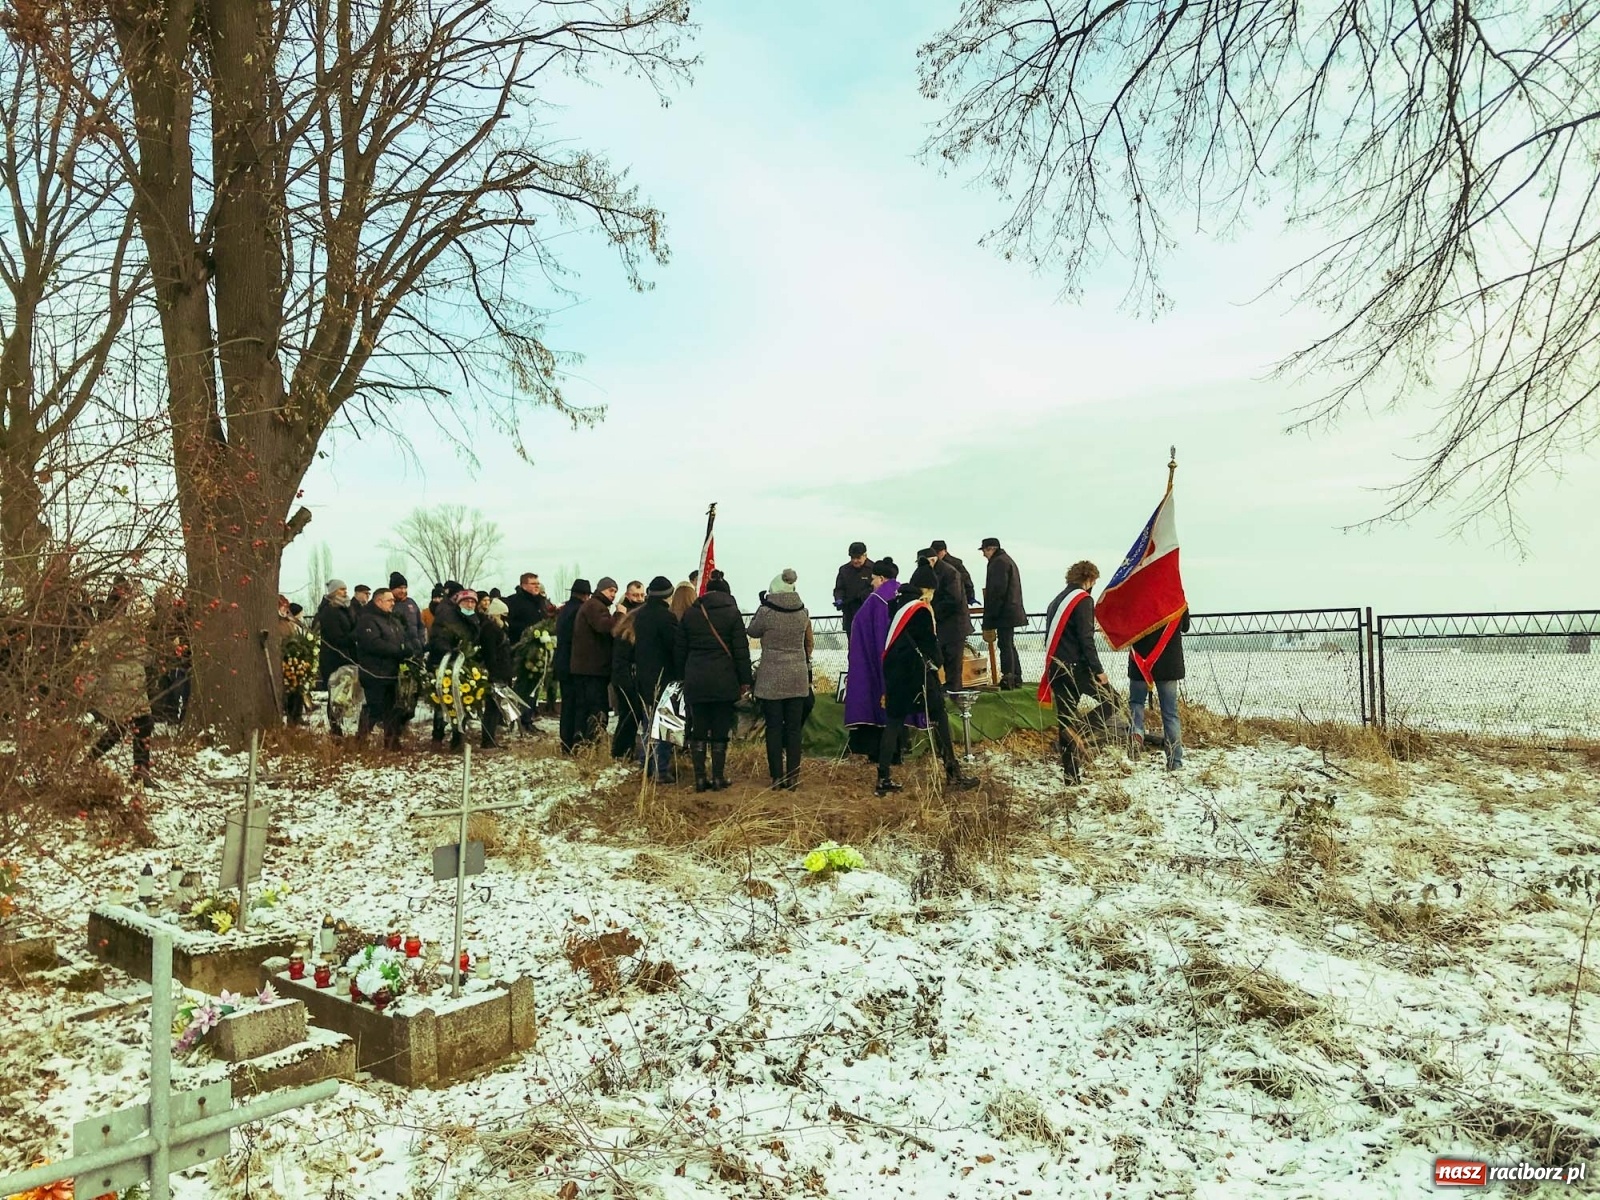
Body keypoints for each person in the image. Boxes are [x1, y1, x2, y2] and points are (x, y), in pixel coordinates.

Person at [876, 561, 978, 796]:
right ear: (926, 589)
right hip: (920, 678)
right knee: (940, 720)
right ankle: (953, 773)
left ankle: (883, 778)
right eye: (931, 592)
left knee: (892, 724)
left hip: (896, 678)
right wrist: (938, 663)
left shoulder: (895, 610)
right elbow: (931, 648)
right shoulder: (919, 611)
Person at [674, 570, 752, 792]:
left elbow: (680, 649)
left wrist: (682, 675)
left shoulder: (692, 613)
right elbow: (741, 651)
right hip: (724, 680)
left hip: (696, 679)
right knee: (720, 729)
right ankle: (718, 777)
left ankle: (700, 779)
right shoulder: (732, 614)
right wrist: (745, 681)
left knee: (698, 728)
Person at [77, 579, 155, 785]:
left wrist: (85, 690)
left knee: (123, 728)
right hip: (128, 685)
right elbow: (146, 657)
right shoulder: (128, 630)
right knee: (136, 726)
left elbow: (91, 662)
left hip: (124, 685)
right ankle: (139, 770)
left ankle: (137, 770)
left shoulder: (100, 633)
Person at [843, 557, 923, 759]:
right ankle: (901, 747)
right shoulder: (906, 596)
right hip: (902, 661)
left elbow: (868, 632)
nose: (871, 582)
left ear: (881, 578)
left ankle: (880, 754)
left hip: (875, 661)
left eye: (873, 578)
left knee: (876, 703)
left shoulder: (875, 600)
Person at [1041, 561, 1111, 785]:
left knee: (1066, 716)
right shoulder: (1083, 600)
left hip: (1056, 666)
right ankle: (1076, 731)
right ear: (1089, 579)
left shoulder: (1056, 601)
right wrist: (1098, 670)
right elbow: (1085, 639)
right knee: (1111, 701)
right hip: (1075, 667)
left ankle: (1071, 778)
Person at [746, 569, 813, 790]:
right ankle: (793, 777)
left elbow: (752, 631)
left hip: (771, 676)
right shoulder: (803, 612)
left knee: (774, 728)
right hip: (797, 676)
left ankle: (776, 777)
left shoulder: (766, 612)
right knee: (794, 729)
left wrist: (761, 606)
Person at [632, 576, 681, 781]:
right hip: (665, 678)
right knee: (664, 725)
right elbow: (674, 648)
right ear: (667, 596)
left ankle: (646, 765)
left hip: (644, 677)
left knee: (647, 722)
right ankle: (661, 769)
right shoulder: (666, 618)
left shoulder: (640, 616)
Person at [1128, 610, 1190, 771]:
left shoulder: (1135, 597)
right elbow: (1185, 627)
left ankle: (1137, 733)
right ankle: (1174, 762)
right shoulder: (1175, 596)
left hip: (1140, 662)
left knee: (1136, 703)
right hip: (1168, 664)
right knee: (1170, 713)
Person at [354, 587, 408, 750]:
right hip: (374, 671)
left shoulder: (391, 619)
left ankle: (391, 742)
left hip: (391, 672)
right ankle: (361, 739)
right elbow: (373, 643)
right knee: (374, 708)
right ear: (378, 601)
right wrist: (398, 652)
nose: (393, 603)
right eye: (389, 600)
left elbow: (400, 638)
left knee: (392, 709)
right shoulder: (368, 620)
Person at [427, 586, 480, 751]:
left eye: (473, 602)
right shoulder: (448, 616)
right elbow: (436, 638)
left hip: (465, 665)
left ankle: (458, 737)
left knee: (462, 700)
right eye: (466, 601)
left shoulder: (474, 619)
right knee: (443, 701)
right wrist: (451, 650)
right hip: (444, 663)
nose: (470, 605)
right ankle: (437, 736)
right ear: (459, 602)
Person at [569, 576, 618, 748]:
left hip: (586, 668)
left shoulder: (593, 605)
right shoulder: (595, 606)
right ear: (602, 589)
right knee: (595, 708)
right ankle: (590, 743)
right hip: (592, 669)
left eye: (615, 592)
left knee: (584, 708)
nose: (613, 595)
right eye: (611, 590)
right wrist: (619, 615)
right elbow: (604, 627)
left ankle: (582, 743)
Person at [922, 546, 972, 694]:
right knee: (943, 656)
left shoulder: (950, 572)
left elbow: (954, 598)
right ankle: (947, 687)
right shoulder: (933, 572)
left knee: (953, 659)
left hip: (954, 623)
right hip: (943, 624)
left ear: (932, 559)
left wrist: (934, 611)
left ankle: (954, 690)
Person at [979, 537, 1026, 689]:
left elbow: (997, 591)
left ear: (991, 549)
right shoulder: (1006, 560)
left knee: (1005, 644)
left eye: (985, 551)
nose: (984, 555)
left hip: (1004, 612)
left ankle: (1008, 678)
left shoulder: (998, 563)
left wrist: (990, 616)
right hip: (1011, 610)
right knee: (1009, 643)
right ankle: (1016, 676)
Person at [313, 579, 358, 736]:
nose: (345, 592)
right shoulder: (329, 611)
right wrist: (355, 636)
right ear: (333, 592)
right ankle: (335, 729)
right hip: (333, 658)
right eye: (341, 589)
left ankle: (343, 726)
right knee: (335, 695)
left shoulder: (346, 608)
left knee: (345, 695)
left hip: (346, 657)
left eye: (346, 589)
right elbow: (336, 638)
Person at [552, 580, 591, 752]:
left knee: (567, 704)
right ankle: (573, 741)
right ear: (586, 595)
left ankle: (565, 742)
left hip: (561, 661)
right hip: (573, 663)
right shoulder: (579, 611)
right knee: (577, 704)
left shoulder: (564, 610)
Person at [478, 597, 515, 749]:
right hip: (496, 673)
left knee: (495, 708)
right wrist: (494, 674)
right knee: (492, 708)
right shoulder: (490, 630)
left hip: (501, 672)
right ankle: (487, 740)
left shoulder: (497, 628)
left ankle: (490, 738)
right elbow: (490, 654)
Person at [833, 542, 874, 636]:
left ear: (865, 555)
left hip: (867, 613)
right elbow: (839, 588)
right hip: (849, 613)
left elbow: (875, 589)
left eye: (858, 558)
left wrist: (861, 596)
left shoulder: (873, 569)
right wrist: (839, 599)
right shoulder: (844, 570)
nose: (855, 561)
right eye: (852, 558)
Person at [389, 573, 426, 657]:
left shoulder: (411, 603)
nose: (403, 591)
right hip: (400, 651)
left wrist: (421, 642)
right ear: (392, 589)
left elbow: (420, 625)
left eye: (405, 588)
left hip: (417, 648)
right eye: (400, 588)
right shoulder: (389, 605)